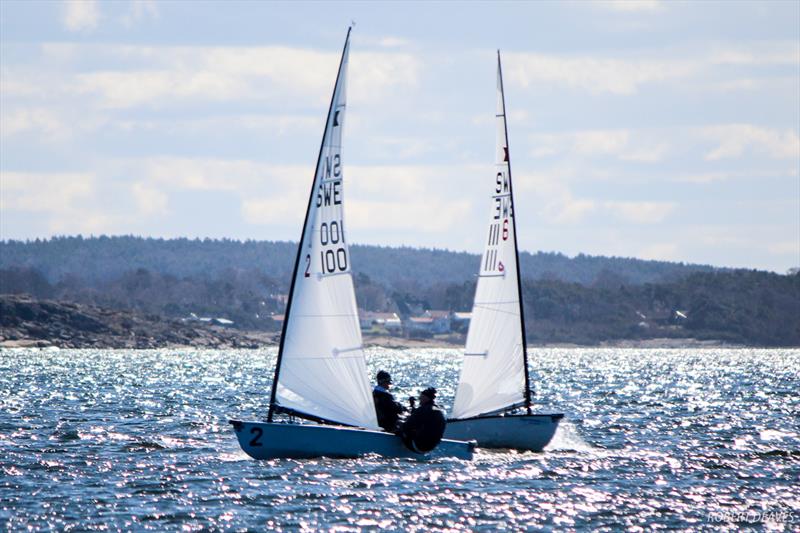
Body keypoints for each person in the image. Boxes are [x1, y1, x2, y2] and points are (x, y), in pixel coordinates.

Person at [398, 387, 446, 453]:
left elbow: (408, 426)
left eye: (421, 397)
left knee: (399, 425)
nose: (419, 399)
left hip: (418, 446)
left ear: (426, 398)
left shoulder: (423, 409)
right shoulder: (438, 410)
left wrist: (400, 424)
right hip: (431, 447)